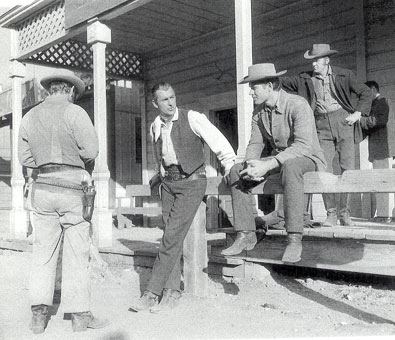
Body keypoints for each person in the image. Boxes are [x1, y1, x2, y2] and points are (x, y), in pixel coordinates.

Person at [128, 81, 236, 313]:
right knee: (171, 237)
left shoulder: (192, 118)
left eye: (173, 97)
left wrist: (230, 166)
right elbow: (163, 155)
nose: (170, 103)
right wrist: (160, 175)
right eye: (165, 99)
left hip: (192, 182)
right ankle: (171, 291)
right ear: (155, 103)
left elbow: (219, 143)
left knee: (170, 236)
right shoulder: (155, 125)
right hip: (168, 184)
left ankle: (151, 292)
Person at [18, 74, 108, 333]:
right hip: (72, 189)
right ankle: (80, 317)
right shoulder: (76, 112)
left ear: (48, 91)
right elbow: (91, 152)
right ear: (69, 91)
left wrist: (46, 162)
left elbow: (25, 158)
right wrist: (69, 160)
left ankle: (38, 316)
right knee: (77, 254)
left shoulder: (29, 116)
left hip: (43, 188)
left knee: (43, 253)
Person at [221, 63, 326, 263]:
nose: (251, 92)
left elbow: (302, 146)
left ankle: (294, 238)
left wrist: (267, 165)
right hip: (279, 161)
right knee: (236, 171)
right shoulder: (259, 112)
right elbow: (255, 143)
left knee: (291, 165)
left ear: (269, 86)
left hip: (307, 158)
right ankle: (245, 233)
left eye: (254, 87)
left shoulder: (297, 104)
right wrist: (252, 164)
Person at [281, 44, 371, 227]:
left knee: (348, 169)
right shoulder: (304, 79)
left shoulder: (345, 75)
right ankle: (330, 213)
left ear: (327, 60)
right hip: (320, 125)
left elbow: (366, 93)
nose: (314, 64)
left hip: (343, 122)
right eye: (312, 61)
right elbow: (282, 82)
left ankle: (345, 213)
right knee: (323, 170)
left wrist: (358, 113)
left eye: (317, 60)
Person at [360, 81, 395, 222]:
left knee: (383, 181)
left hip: (384, 148)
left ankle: (384, 215)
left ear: (373, 89)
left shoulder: (382, 102)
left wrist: (360, 120)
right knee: (383, 181)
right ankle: (385, 214)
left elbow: (379, 120)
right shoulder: (381, 102)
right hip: (381, 149)